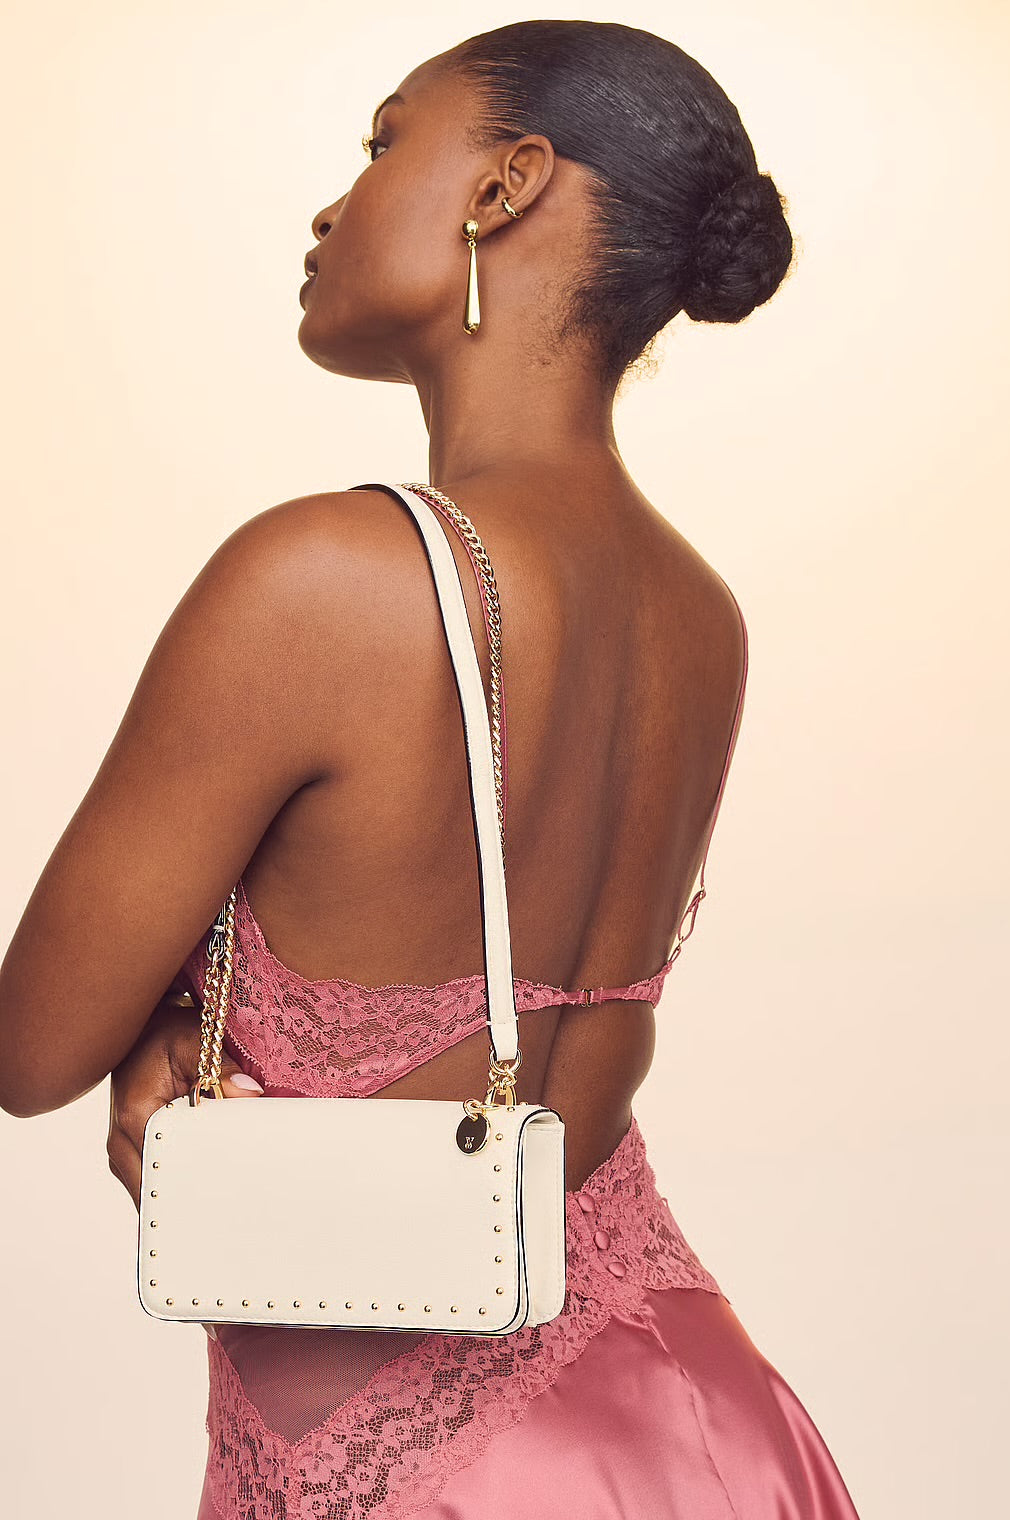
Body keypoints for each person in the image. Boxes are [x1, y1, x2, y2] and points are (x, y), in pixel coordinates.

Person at [0, 19, 861, 1519]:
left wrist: (178, 1022)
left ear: (506, 186)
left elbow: (31, 1049)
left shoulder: (328, 576)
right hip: (701, 1426)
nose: (334, 203)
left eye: (386, 141)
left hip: (440, 1488)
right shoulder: (699, 614)